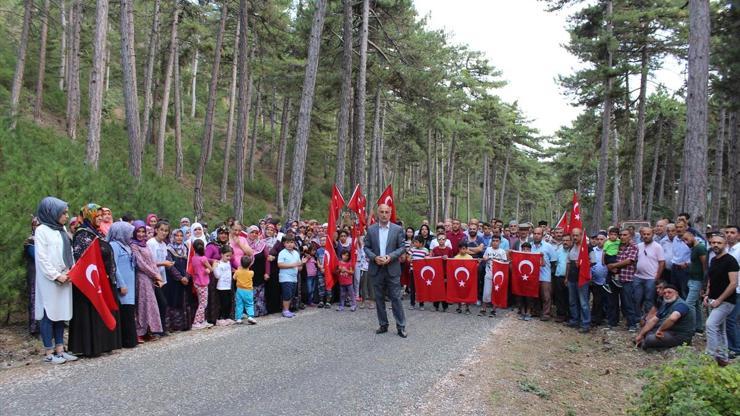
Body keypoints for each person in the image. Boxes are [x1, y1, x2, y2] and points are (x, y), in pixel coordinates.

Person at [69, 203, 122, 357]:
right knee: (92, 313)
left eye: (101, 216)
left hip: (103, 279)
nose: (100, 219)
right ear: (89, 216)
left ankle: (105, 344)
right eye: (96, 216)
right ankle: (91, 346)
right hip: (90, 282)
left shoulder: (96, 233)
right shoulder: (82, 235)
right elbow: (83, 259)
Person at [34, 197, 77, 364]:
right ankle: (49, 352)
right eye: (63, 213)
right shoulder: (42, 230)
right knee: (48, 313)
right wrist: (56, 275)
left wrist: (70, 271)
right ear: (52, 213)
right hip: (49, 280)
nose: (66, 216)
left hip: (65, 277)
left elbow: (69, 253)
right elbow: (42, 258)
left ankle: (60, 349)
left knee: (60, 313)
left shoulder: (61, 229)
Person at [364, 204, 408, 337]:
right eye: (382, 212)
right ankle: (383, 324)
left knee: (396, 298)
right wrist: (374, 257)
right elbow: (366, 248)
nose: (384, 214)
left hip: (392, 268)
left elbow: (402, 247)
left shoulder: (398, 229)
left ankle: (401, 326)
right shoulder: (371, 230)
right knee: (379, 299)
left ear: (390, 214)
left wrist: (390, 257)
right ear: (378, 213)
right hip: (376, 268)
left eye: (386, 212)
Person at [704, 234, 739, 366]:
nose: (716, 245)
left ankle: (710, 356)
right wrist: (707, 294)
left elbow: (733, 283)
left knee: (710, 325)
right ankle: (723, 357)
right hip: (713, 298)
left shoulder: (731, 261)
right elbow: (712, 280)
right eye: (713, 243)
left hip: (726, 301)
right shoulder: (713, 260)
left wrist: (719, 300)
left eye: (719, 243)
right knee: (720, 328)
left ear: (725, 244)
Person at [130, 220, 164, 342]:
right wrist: (155, 274)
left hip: (149, 278)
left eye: (143, 231)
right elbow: (141, 264)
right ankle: (140, 331)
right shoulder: (133, 245)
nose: (140, 234)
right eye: (138, 231)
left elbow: (151, 261)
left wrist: (157, 276)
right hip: (141, 278)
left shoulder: (145, 244)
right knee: (142, 304)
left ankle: (149, 330)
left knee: (150, 304)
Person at [635, 284, 695, 351]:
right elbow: (654, 320)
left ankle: (651, 345)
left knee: (650, 339)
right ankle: (649, 343)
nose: (666, 295)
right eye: (664, 293)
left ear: (677, 294)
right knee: (647, 331)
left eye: (669, 292)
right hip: (669, 331)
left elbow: (673, 318)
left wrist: (660, 330)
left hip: (680, 335)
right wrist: (640, 335)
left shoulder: (681, 305)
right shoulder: (666, 304)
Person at [108, 221, 138, 348]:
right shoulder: (114, 245)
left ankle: (131, 340)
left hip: (131, 284)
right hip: (124, 285)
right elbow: (114, 266)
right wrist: (121, 284)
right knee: (125, 312)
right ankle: (126, 341)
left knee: (129, 311)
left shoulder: (126, 245)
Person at [607, 229, 639, 331]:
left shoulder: (633, 246)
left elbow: (629, 260)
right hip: (615, 277)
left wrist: (614, 265)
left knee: (628, 302)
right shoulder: (618, 245)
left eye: (625, 235)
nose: (622, 237)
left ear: (630, 236)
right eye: (620, 235)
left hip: (627, 278)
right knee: (613, 301)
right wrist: (610, 265)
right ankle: (613, 322)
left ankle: (632, 324)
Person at [165, 228, 194, 331]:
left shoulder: (186, 248)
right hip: (174, 281)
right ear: (173, 236)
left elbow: (190, 263)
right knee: (174, 301)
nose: (179, 238)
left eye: (181, 236)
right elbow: (170, 266)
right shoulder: (168, 249)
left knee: (185, 301)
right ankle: (174, 326)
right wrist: (180, 278)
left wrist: (187, 276)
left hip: (186, 280)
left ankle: (185, 325)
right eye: (176, 235)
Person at [147, 220, 172, 335]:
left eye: (166, 231)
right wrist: (163, 263)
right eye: (162, 230)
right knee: (160, 303)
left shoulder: (164, 244)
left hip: (163, 277)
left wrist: (167, 263)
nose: (164, 232)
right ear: (156, 230)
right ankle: (155, 329)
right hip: (154, 277)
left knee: (163, 303)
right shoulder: (151, 243)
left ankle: (161, 328)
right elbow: (149, 262)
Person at [634, 227, 665, 320]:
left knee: (649, 299)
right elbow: (635, 260)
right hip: (638, 276)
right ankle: (637, 318)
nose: (646, 236)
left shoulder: (657, 247)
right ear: (641, 235)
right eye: (644, 234)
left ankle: (648, 318)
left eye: (648, 234)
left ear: (652, 235)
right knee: (636, 298)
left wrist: (657, 276)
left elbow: (662, 262)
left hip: (651, 277)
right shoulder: (638, 246)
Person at [566, 228, 591, 333]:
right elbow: (568, 263)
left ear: (582, 236)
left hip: (582, 279)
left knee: (583, 302)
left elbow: (593, 262)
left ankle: (585, 323)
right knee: (572, 301)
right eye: (573, 235)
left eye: (577, 235)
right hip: (571, 278)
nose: (575, 237)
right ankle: (574, 320)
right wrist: (566, 277)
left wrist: (583, 264)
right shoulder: (571, 247)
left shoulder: (587, 248)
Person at [683, 231, 707, 334]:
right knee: (696, 304)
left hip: (698, 280)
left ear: (693, 236)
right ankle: (699, 327)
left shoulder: (700, 248)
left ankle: (690, 328)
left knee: (689, 304)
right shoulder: (694, 248)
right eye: (683, 240)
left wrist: (704, 283)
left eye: (686, 239)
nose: (685, 242)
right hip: (692, 279)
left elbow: (705, 265)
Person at [531, 227, 556, 321]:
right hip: (533, 275)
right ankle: (536, 311)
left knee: (546, 296)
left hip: (545, 275)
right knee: (535, 294)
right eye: (535, 233)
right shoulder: (530, 246)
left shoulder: (548, 246)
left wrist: (549, 271)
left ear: (542, 235)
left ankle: (546, 314)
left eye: (538, 234)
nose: (536, 235)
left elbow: (553, 261)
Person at [722, 225, 740, 356]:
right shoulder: (725, 249)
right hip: (726, 289)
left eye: (732, 232)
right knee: (727, 319)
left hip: (737, 289)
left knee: (731, 319)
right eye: (727, 232)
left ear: (738, 235)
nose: (729, 235)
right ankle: (728, 345)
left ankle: (735, 348)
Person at [277, 236, 305, 318]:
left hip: (294, 278)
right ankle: (285, 310)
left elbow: (299, 267)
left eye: (291, 242)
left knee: (291, 294)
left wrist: (302, 264)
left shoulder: (296, 253)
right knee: (287, 294)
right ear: (284, 244)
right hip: (285, 277)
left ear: (294, 244)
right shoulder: (282, 252)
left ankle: (287, 309)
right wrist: (294, 265)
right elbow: (280, 265)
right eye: (287, 242)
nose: (289, 244)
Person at [481, 235, 507, 317]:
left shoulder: (502, 251)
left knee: (496, 292)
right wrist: (485, 258)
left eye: (497, 241)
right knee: (486, 292)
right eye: (493, 241)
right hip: (488, 273)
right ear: (491, 241)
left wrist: (499, 261)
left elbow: (504, 263)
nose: (495, 242)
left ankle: (494, 309)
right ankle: (483, 308)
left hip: (498, 275)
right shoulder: (488, 249)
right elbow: (484, 257)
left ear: (499, 242)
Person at [191, 239, 214, 330]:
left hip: (197, 282)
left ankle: (202, 320)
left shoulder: (193, 258)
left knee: (201, 302)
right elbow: (210, 269)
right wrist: (210, 268)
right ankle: (196, 322)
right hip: (203, 283)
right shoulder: (203, 258)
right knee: (203, 304)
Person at [24, 216, 40, 336]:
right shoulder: (30, 240)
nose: (37, 227)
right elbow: (35, 256)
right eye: (35, 224)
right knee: (34, 297)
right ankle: (34, 327)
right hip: (34, 272)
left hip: (44, 272)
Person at [213, 245, 235, 326]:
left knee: (228, 303)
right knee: (223, 303)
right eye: (227, 256)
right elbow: (217, 276)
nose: (229, 258)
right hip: (221, 287)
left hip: (228, 286)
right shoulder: (219, 264)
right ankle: (220, 318)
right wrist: (215, 267)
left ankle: (227, 317)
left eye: (230, 256)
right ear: (221, 254)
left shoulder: (228, 263)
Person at [671, 220, 692, 298]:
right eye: (677, 227)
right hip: (674, 268)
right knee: (674, 290)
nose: (678, 229)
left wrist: (687, 264)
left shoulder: (690, 239)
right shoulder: (675, 239)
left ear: (686, 227)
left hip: (685, 269)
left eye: (681, 227)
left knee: (685, 292)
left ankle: (686, 309)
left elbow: (695, 255)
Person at [234, 256, 257, 324]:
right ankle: (250, 316)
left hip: (239, 290)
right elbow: (249, 270)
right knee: (249, 304)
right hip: (248, 290)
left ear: (240, 263)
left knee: (239, 304)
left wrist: (238, 269)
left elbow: (234, 278)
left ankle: (238, 318)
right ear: (250, 264)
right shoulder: (251, 273)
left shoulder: (237, 272)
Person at [408, 236, 430, 310]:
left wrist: (426, 259)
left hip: (421, 272)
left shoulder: (425, 250)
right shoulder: (412, 250)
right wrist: (410, 259)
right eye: (414, 242)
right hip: (413, 271)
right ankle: (412, 303)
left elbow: (427, 260)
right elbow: (408, 259)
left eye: (416, 242)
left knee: (421, 288)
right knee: (413, 288)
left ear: (421, 243)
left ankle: (421, 304)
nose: (414, 243)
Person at [453, 242, 474, 315]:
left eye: (464, 249)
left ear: (467, 249)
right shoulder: (456, 257)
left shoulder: (470, 257)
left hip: (467, 278)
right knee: (459, 292)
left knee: (467, 292)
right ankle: (459, 307)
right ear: (459, 249)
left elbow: (472, 268)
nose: (462, 250)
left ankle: (467, 308)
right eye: (461, 249)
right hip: (458, 278)